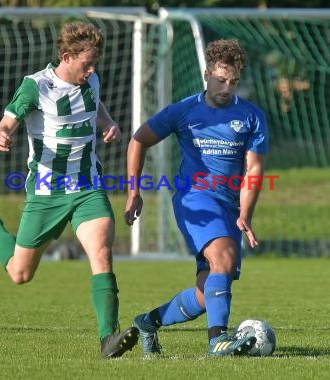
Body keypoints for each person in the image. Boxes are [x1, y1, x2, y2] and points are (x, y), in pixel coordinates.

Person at [0, 21, 139, 359]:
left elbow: (95, 105)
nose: (93, 69)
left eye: (95, 62)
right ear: (67, 56)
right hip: (46, 192)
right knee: (19, 273)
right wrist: (0, 133)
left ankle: (107, 338)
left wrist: (109, 123)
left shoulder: (91, 80)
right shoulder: (36, 87)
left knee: (101, 252)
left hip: (87, 187)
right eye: (87, 63)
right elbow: (8, 121)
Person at [124, 39, 268, 357]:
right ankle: (219, 341)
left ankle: (148, 322)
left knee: (209, 292)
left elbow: (254, 169)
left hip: (229, 206)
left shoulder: (251, 117)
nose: (226, 88)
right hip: (196, 200)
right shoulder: (185, 110)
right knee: (224, 260)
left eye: (233, 82)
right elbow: (138, 140)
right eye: (220, 80)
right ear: (206, 74)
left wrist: (245, 213)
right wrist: (134, 191)